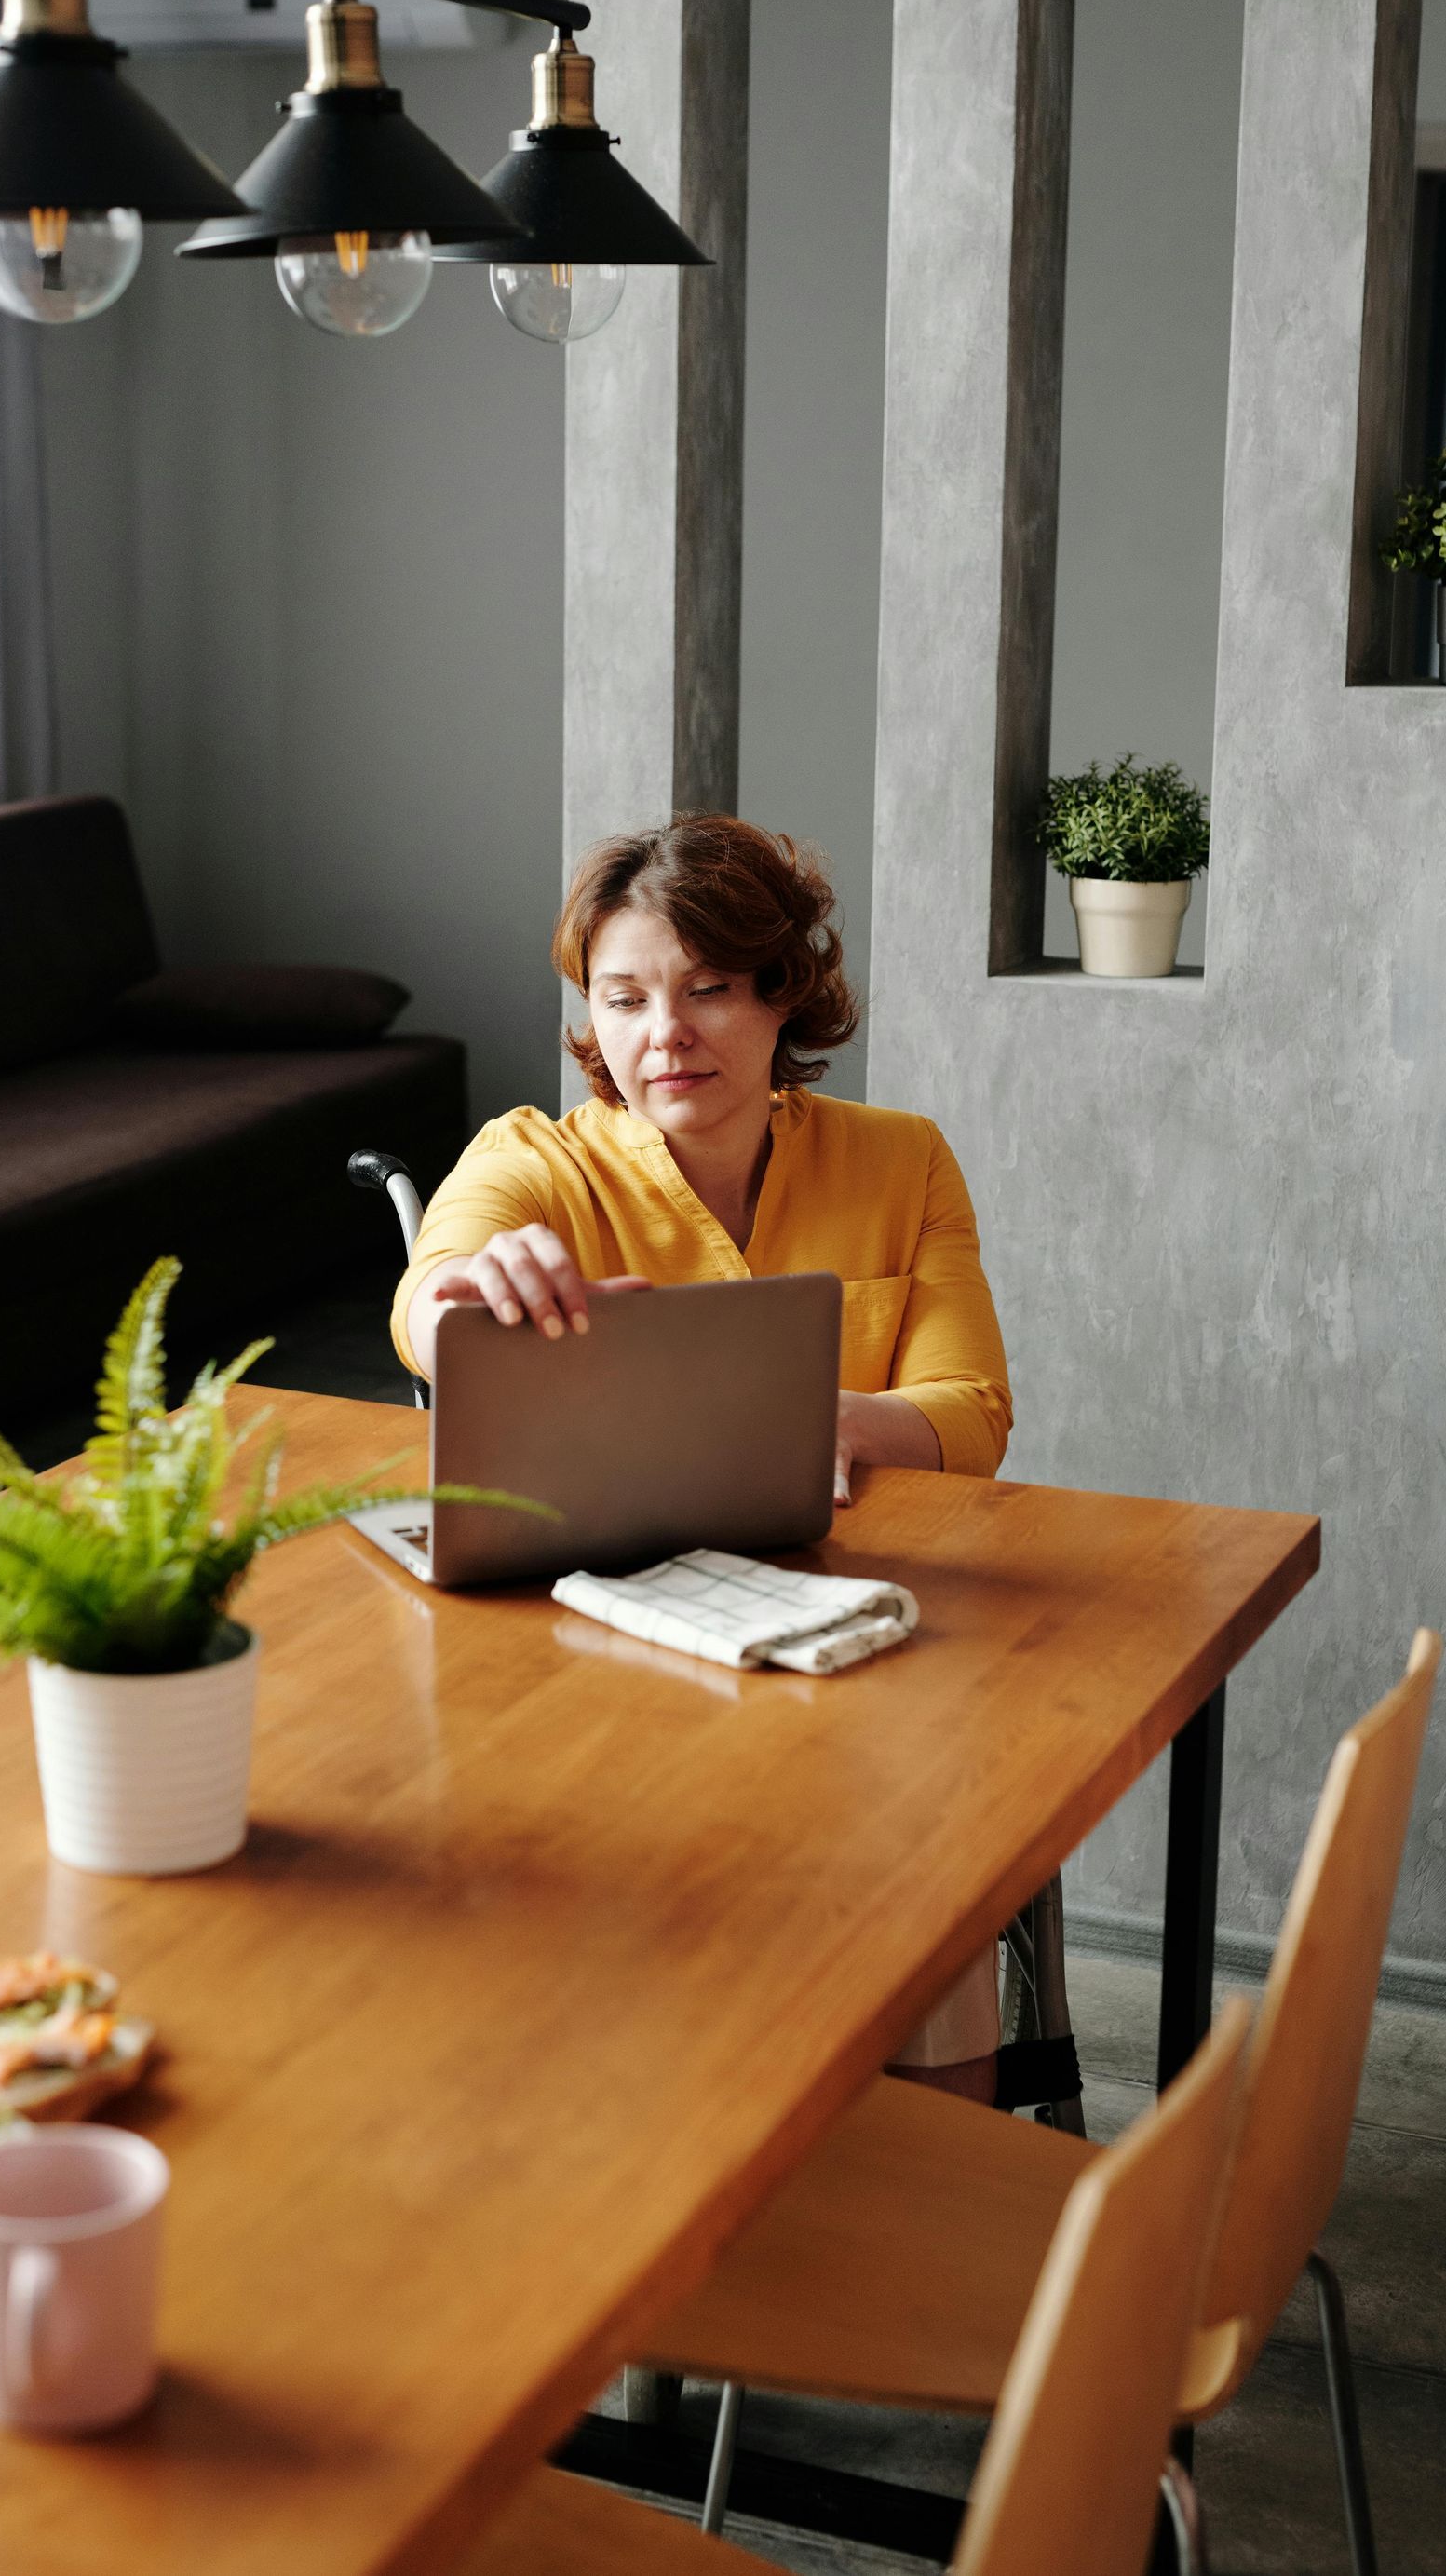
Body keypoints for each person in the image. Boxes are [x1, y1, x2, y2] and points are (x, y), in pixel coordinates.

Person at [391, 815, 1013, 2100]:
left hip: (848, 1648)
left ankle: (937, 2229)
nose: (662, 1035)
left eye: (708, 991)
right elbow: (428, 1300)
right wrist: (466, 1284)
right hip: (591, 1682)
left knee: (940, 1855)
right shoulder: (536, 1158)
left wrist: (809, 1417)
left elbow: (971, 1413)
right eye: (622, 1000)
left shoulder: (903, 1161)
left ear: (786, 994)